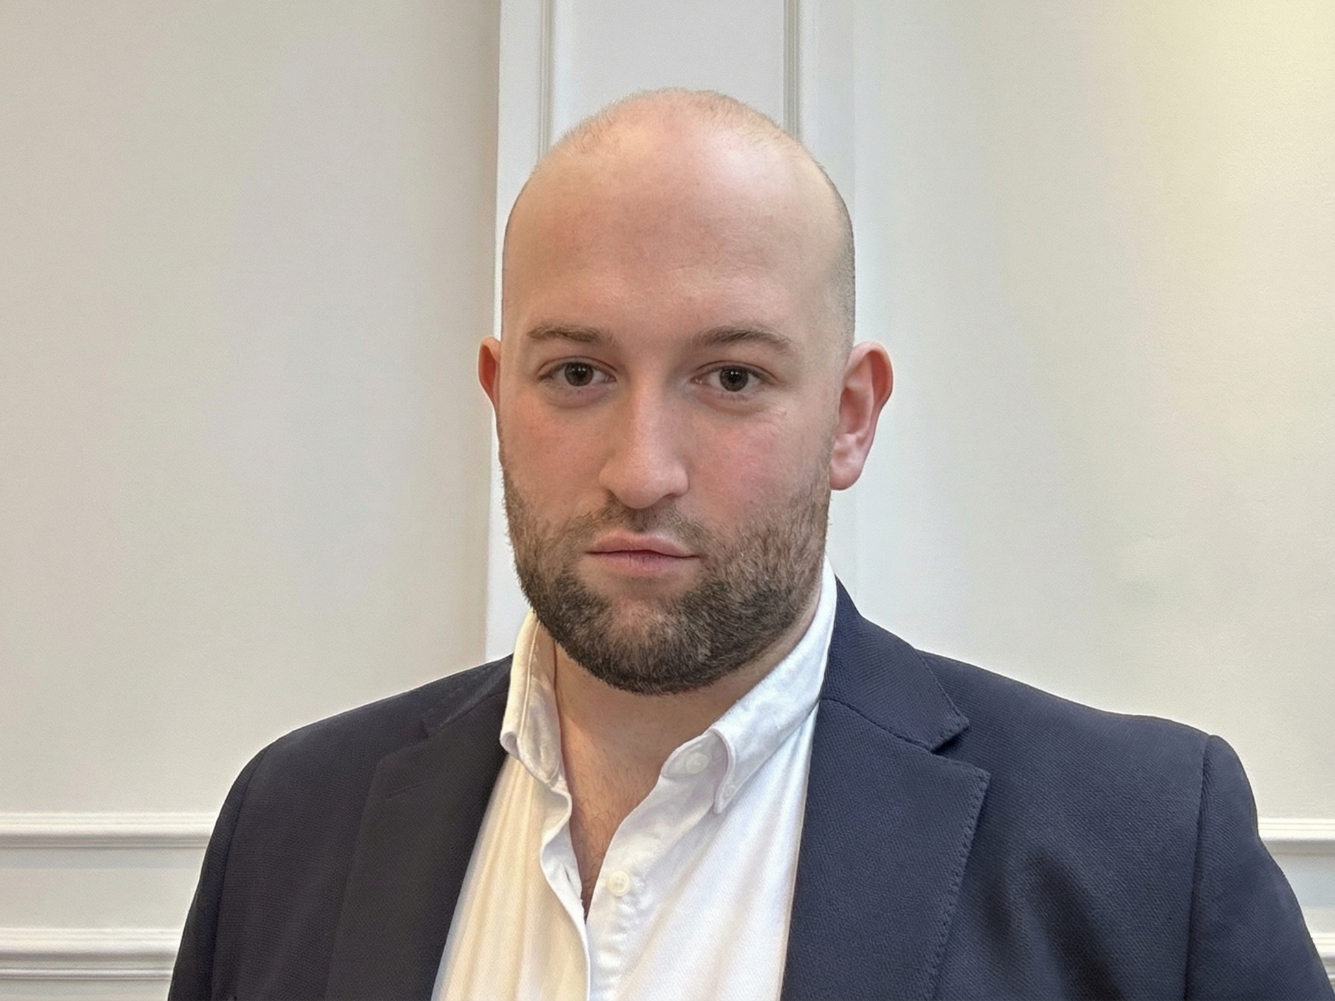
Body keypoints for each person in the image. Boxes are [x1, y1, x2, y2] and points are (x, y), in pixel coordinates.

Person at [169, 90, 1332, 1001]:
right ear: (498, 395)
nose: (641, 467)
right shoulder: (293, 822)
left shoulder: (1138, 847)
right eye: (577, 373)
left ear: (849, 416)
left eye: (731, 377)